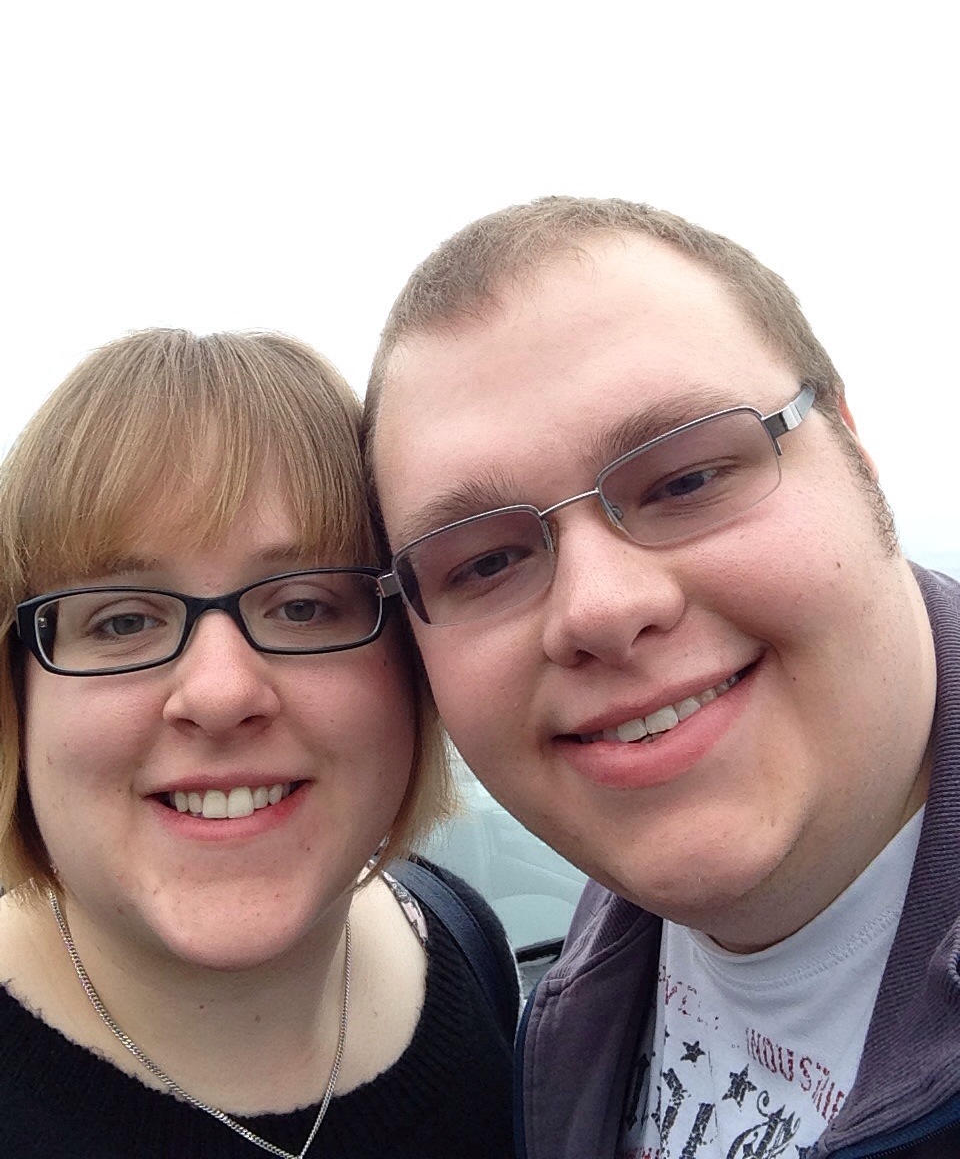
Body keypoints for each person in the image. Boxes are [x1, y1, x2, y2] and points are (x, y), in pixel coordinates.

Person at [364, 197, 960, 1158]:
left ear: (854, 449)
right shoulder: (570, 1006)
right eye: (485, 562)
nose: (599, 607)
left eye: (687, 480)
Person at [0, 329, 519, 1159]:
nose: (220, 694)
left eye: (304, 607)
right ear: (19, 693)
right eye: (123, 621)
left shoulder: (470, 943)